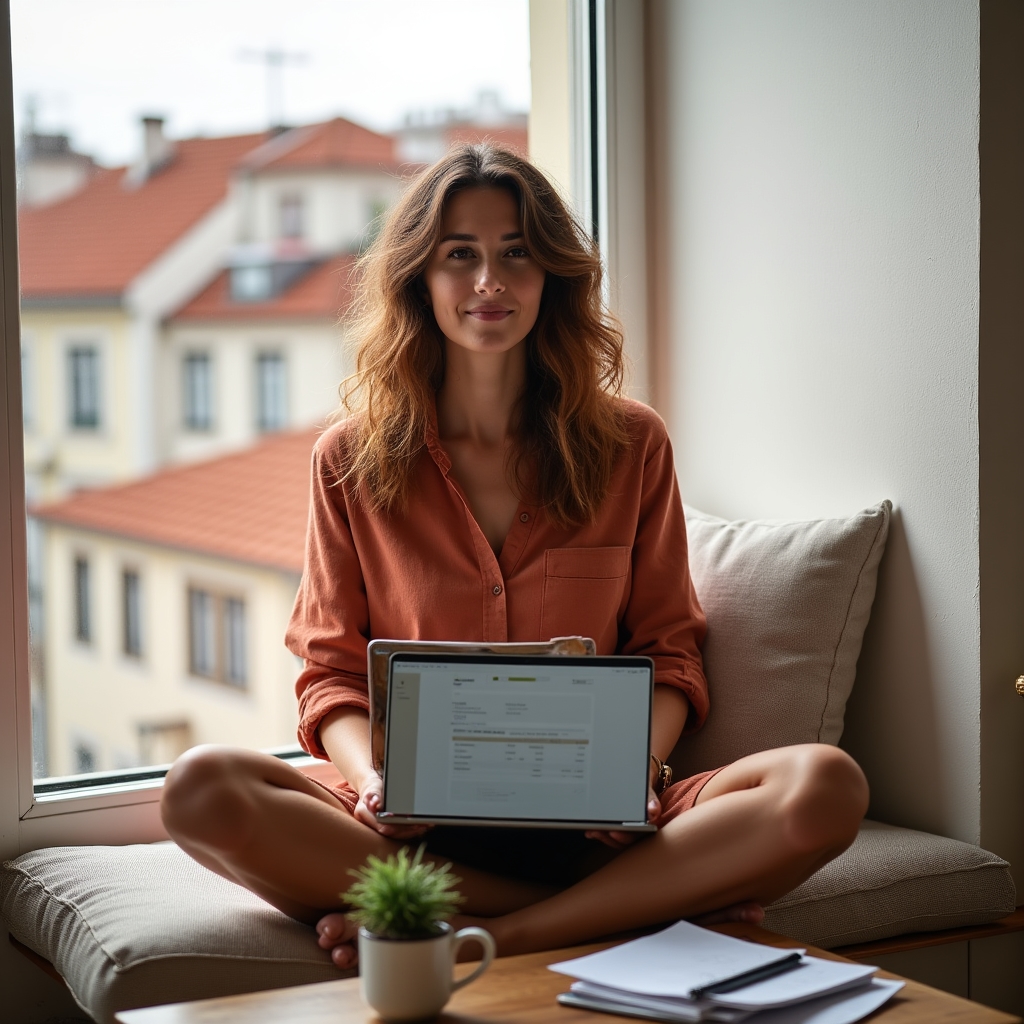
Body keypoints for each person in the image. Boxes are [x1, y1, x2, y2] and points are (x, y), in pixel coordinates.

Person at [161, 145, 868, 970]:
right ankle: (614, 915)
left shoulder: (632, 444)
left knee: (826, 787)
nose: (489, 282)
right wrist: (373, 784)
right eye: (460, 255)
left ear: (552, 277)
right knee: (200, 790)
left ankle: (490, 933)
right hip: (415, 827)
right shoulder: (346, 459)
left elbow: (670, 650)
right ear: (419, 278)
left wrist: (636, 773)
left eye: (516, 254)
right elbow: (329, 672)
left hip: (599, 823)